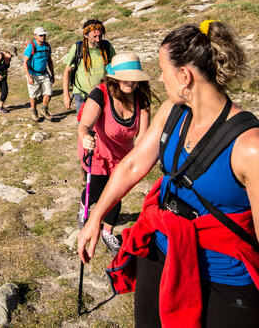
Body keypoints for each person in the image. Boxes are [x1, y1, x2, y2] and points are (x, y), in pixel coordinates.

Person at [78, 20, 259, 327]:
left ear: (185, 76)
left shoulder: (249, 147)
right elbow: (134, 164)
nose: (160, 78)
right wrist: (95, 218)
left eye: (163, 70)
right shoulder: (172, 112)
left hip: (224, 279)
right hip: (161, 253)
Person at [76, 52, 152, 255]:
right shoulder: (100, 93)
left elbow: (143, 138)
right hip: (97, 150)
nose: (130, 81)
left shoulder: (141, 101)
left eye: (134, 76)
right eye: (125, 76)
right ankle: (84, 203)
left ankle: (107, 232)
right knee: (98, 190)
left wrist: (140, 159)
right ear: (114, 77)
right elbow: (85, 124)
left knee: (116, 193)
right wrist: (85, 136)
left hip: (122, 156)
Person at [63, 19, 115, 115]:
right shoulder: (78, 48)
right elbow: (67, 71)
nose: (98, 39)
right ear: (85, 35)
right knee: (84, 126)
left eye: (100, 36)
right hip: (82, 94)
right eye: (94, 36)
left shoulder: (107, 46)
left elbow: (115, 67)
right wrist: (66, 95)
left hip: (103, 93)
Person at [23, 26, 55, 121]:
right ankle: (34, 111)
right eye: (41, 35)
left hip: (44, 73)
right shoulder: (31, 46)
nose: (43, 37)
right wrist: (29, 76)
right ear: (35, 36)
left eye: (44, 35)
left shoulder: (47, 46)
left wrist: (52, 74)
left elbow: (50, 61)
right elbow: (24, 62)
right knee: (33, 95)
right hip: (33, 74)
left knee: (48, 92)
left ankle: (44, 109)